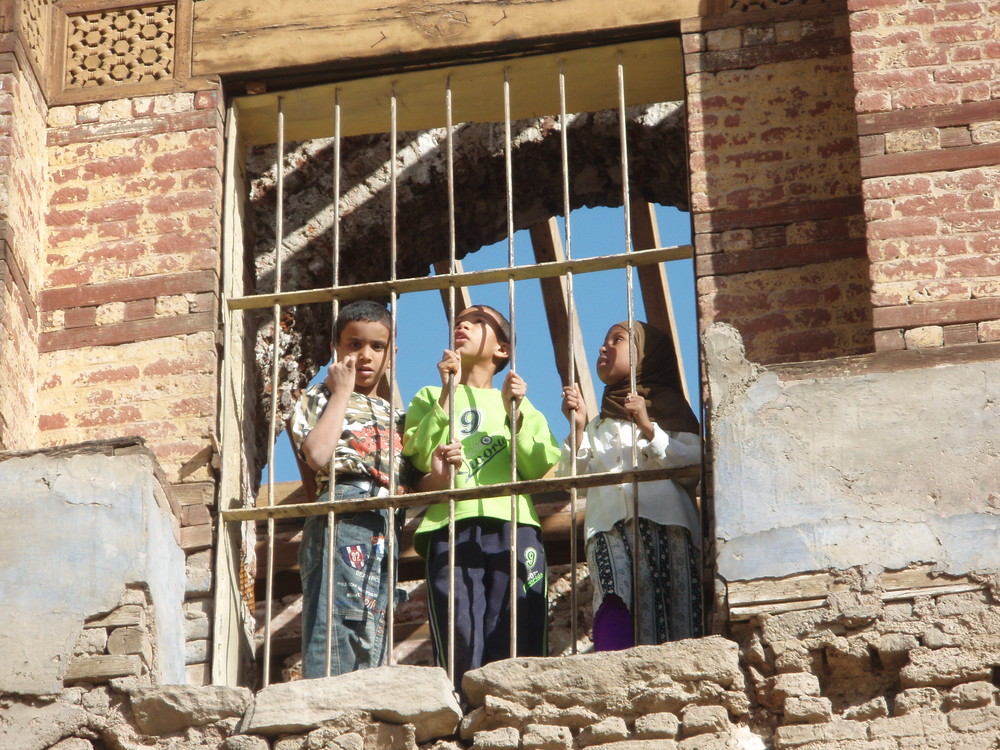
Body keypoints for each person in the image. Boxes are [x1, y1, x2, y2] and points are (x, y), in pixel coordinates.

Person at [404, 304, 561, 692]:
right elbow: (418, 454)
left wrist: (517, 412)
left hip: (513, 524)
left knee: (513, 620)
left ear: (503, 351)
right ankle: (463, 704)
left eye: (477, 322)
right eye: (459, 321)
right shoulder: (429, 395)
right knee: (458, 620)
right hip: (450, 524)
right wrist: (446, 391)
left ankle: (516, 704)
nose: (462, 325)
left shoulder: (517, 403)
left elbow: (540, 462)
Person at [289, 299, 434, 678]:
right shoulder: (320, 398)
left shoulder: (398, 416)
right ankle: (326, 701)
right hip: (344, 509)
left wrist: (443, 468)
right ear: (335, 349)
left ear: (392, 353)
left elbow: (419, 481)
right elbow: (317, 455)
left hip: (387, 522)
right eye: (354, 345)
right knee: (337, 615)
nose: (365, 355)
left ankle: (361, 702)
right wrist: (341, 392)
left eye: (377, 347)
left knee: (373, 620)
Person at [560, 320, 702, 651]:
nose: (603, 347)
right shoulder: (598, 424)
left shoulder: (671, 410)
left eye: (618, 340)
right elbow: (574, 479)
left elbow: (693, 469)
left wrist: (649, 428)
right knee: (614, 595)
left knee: (670, 600)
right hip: (607, 527)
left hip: (666, 523)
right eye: (605, 339)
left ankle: (680, 674)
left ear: (646, 357)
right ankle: (614, 667)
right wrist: (579, 428)